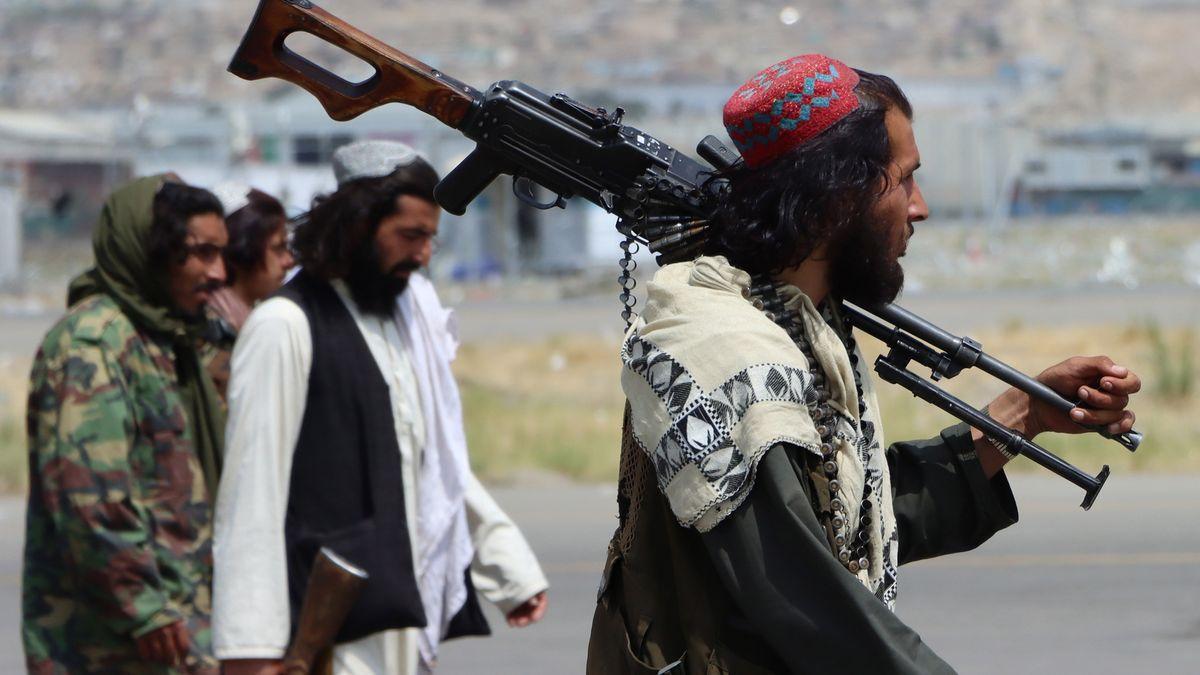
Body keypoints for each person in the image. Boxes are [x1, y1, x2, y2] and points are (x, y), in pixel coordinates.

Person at [586, 55, 1141, 674]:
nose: (920, 206)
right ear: (837, 195)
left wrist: (1025, 413)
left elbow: (854, 511)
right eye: (904, 179)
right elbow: (804, 593)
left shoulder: (801, 322)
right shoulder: (726, 360)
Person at [213, 141, 549, 675]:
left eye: (430, 240)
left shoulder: (394, 325)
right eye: (410, 236)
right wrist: (248, 651)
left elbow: (432, 462)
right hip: (323, 636)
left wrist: (504, 565)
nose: (421, 256)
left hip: (394, 623)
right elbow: (251, 500)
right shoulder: (284, 327)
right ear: (358, 225)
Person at [22, 176, 228, 673]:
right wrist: (144, 609)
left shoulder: (171, 340)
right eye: (200, 253)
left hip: (180, 634)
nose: (218, 272)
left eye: (221, 254)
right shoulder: (93, 342)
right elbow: (90, 496)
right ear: (151, 249)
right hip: (111, 645)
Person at [201, 185, 295, 399]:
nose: (288, 261)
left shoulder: (258, 317)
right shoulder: (207, 332)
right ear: (242, 252)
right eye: (277, 249)